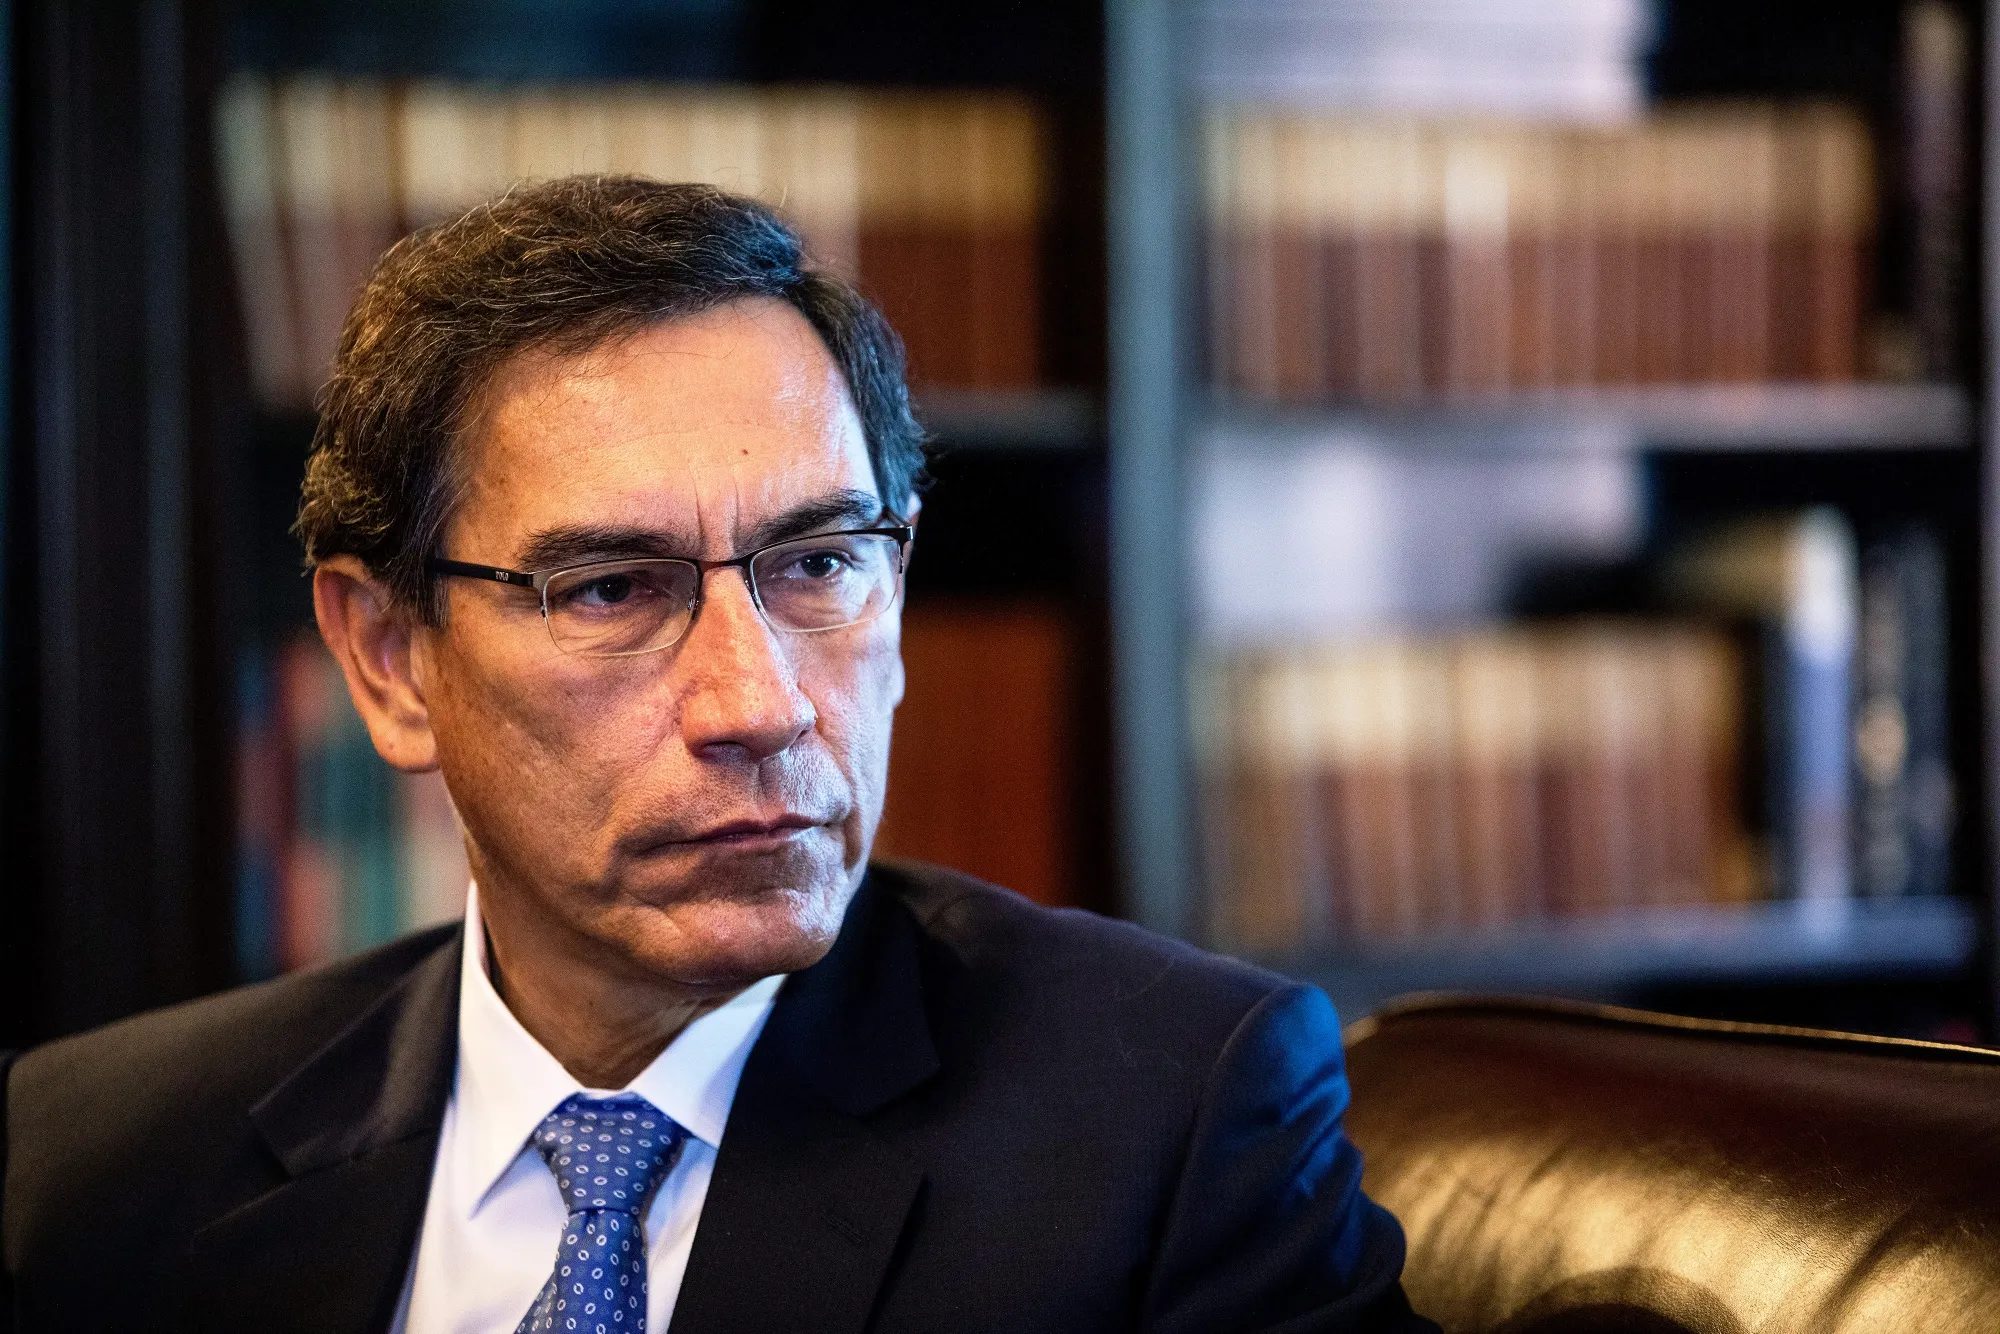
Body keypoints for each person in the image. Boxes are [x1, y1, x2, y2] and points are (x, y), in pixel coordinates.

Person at [1, 178, 1434, 1333]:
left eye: (818, 563)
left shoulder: (1174, 1125)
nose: (759, 704)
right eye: (611, 589)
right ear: (389, 658)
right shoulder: (95, 1166)